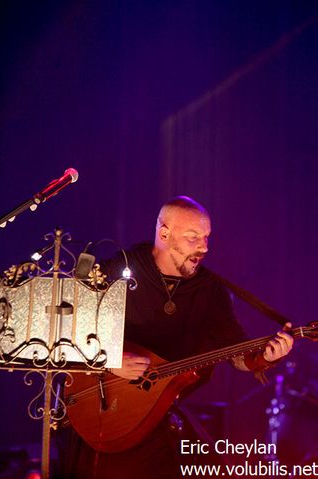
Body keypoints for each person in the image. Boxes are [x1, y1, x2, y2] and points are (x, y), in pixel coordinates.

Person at [59, 196, 293, 479]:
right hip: (99, 407)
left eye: (206, 238)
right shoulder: (118, 271)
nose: (204, 247)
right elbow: (65, 329)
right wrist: (108, 359)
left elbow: (236, 354)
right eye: (193, 237)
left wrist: (264, 358)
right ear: (164, 234)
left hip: (157, 413)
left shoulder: (211, 291)